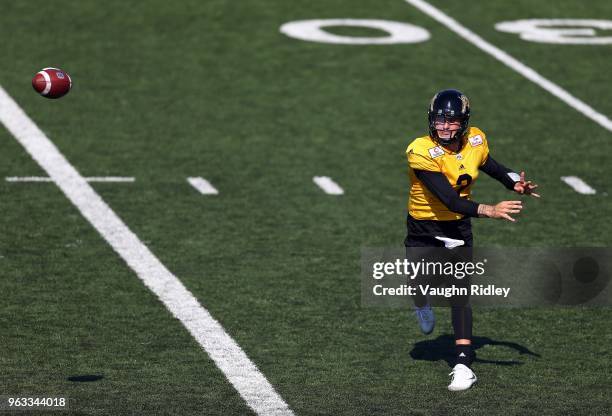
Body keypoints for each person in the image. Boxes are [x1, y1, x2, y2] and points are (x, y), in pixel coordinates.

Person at [404, 89, 539, 391]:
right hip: (423, 226)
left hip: (458, 228)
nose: (444, 126)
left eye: (451, 121)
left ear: (463, 123)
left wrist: (514, 181)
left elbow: (490, 164)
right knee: (418, 281)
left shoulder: (476, 139)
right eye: (439, 120)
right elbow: (450, 199)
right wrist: (489, 210)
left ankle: (463, 363)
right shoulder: (420, 150)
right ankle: (421, 301)